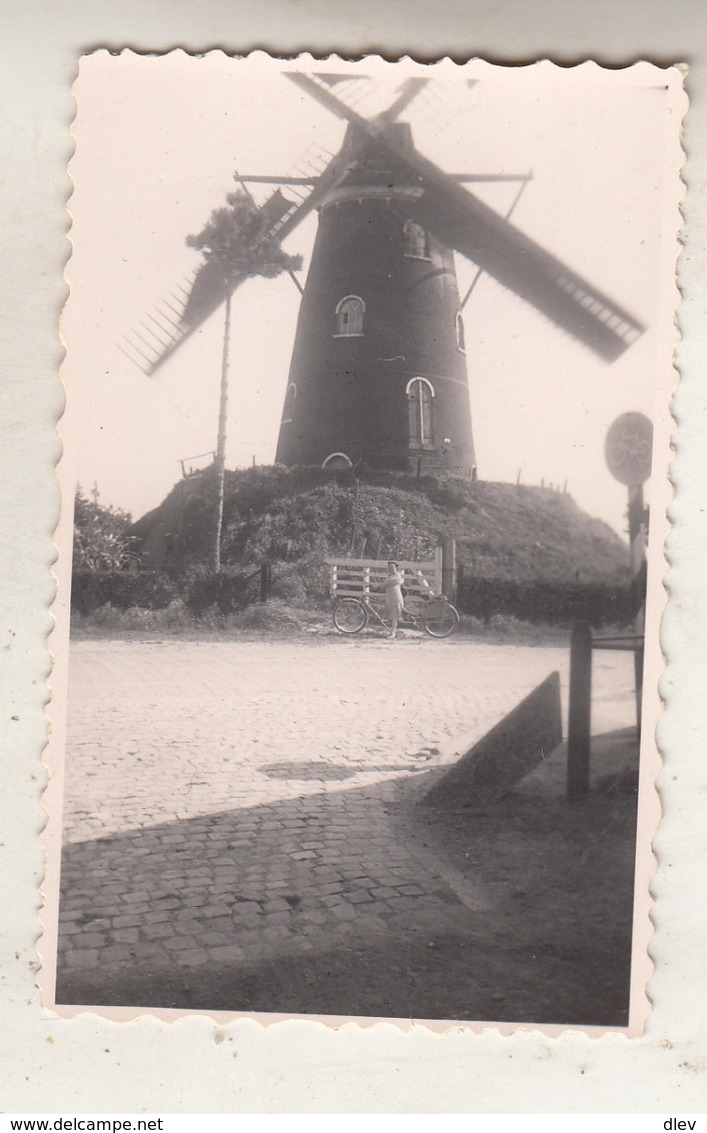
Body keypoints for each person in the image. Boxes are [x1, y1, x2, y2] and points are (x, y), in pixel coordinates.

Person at [384, 560, 405, 638]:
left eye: (392, 567)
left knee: (394, 616)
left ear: (396, 568)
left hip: (396, 597)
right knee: (390, 614)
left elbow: (389, 583)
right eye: (389, 567)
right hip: (390, 597)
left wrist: (384, 583)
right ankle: (391, 631)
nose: (391, 569)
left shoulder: (397, 575)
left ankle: (393, 633)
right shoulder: (389, 576)